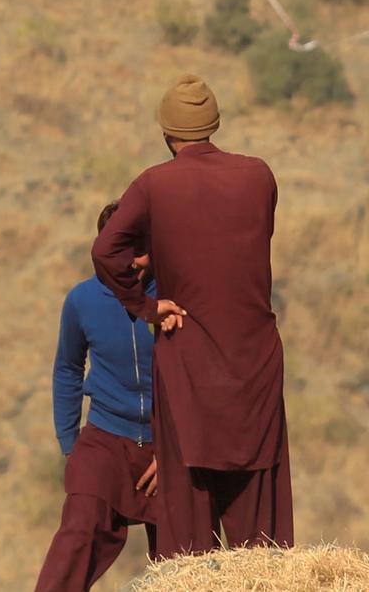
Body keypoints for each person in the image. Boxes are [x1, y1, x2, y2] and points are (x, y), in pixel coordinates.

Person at [93, 76, 292, 557]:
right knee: (256, 515)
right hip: (255, 361)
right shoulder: (259, 175)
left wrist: (145, 307)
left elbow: (106, 251)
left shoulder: (154, 184)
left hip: (188, 359)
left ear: (167, 134)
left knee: (188, 509)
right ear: (215, 125)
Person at [35, 204, 161, 592]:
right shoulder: (82, 301)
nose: (130, 263)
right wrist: (71, 444)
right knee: (74, 542)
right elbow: (68, 368)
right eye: (117, 250)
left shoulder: (177, 295)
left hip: (170, 444)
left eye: (139, 249)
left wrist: (179, 448)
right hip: (105, 439)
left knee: (187, 561)